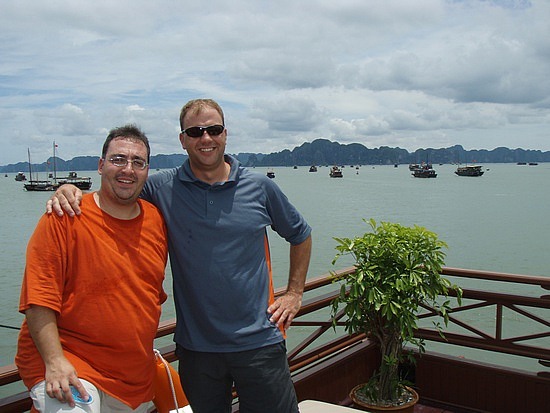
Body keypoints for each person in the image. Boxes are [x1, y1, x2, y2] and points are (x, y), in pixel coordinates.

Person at [47, 98, 313, 413]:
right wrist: (69, 189)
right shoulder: (162, 187)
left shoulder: (259, 187)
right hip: (196, 348)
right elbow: (117, 192)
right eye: (196, 131)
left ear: (225, 134)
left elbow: (301, 235)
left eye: (213, 129)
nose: (206, 138)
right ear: (183, 139)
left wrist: (295, 293)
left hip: (259, 343)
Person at [18, 125, 168, 412]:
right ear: (101, 166)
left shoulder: (155, 220)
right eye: (118, 159)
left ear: (148, 171)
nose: (128, 169)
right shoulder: (64, 216)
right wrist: (55, 361)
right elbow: (38, 298)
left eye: (138, 162)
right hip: (70, 362)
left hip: (131, 373)